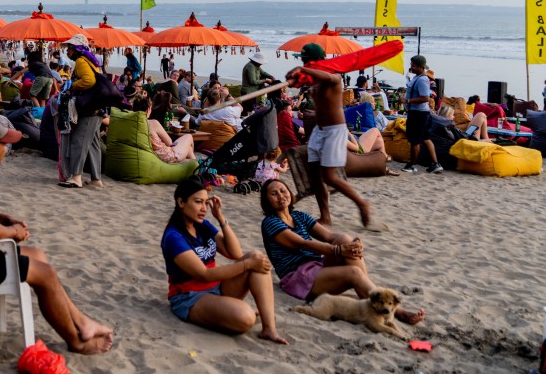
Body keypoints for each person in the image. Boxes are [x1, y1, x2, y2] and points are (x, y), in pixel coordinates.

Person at [0, 114, 114, 355]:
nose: (8, 148)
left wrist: (2, 217)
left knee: (38, 255)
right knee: (44, 275)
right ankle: (75, 341)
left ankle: (81, 322)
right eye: (5, 144)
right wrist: (13, 231)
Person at [259, 179, 425, 325]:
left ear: (289, 192)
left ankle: (370, 295)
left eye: (283, 190)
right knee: (353, 272)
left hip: (315, 267)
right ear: (267, 200)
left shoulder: (299, 216)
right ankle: (397, 311)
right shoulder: (270, 222)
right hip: (296, 277)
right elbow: (302, 244)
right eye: (274, 194)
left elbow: (330, 236)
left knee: (345, 239)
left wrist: (354, 243)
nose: (281, 196)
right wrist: (339, 251)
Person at [161, 177, 288, 345]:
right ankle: (236, 311)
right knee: (246, 317)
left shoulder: (203, 225)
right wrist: (247, 265)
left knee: (256, 256)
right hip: (189, 297)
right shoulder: (173, 237)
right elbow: (204, 274)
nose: (203, 208)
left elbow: (235, 252)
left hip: (216, 287)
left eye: (206, 203)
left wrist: (220, 218)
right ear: (181, 202)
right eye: (198, 202)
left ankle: (269, 329)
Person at [286, 43, 375, 227]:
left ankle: (362, 204)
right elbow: (299, 80)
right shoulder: (314, 80)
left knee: (330, 176)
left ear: (313, 62)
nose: (304, 64)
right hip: (320, 131)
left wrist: (304, 69)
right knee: (315, 174)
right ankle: (325, 216)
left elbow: (329, 78)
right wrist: (294, 79)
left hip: (335, 130)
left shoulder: (334, 76)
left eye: (305, 61)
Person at [59, 33, 105, 190]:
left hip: (90, 108)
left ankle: (76, 177)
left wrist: (72, 86)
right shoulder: (91, 61)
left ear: (76, 49)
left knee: (79, 140)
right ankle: (95, 179)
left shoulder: (80, 61)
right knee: (92, 143)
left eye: (69, 48)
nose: (67, 52)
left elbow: (88, 81)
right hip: (98, 107)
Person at [402, 55, 442, 174]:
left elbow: (425, 98)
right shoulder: (417, 78)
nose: (411, 67)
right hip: (421, 113)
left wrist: (408, 101)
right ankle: (435, 164)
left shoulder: (423, 80)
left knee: (415, 140)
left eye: (413, 65)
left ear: (420, 67)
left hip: (418, 114)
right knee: (425, 138)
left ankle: (412, 164)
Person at [133, 95, 196, 163]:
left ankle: (195, 167)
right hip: (165, 157)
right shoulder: (153, 123)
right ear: (148, 109)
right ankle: (196, 167)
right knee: (188, 137)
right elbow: (169, 142)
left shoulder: (131, 124)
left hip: (149, 156)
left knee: (188, 149)